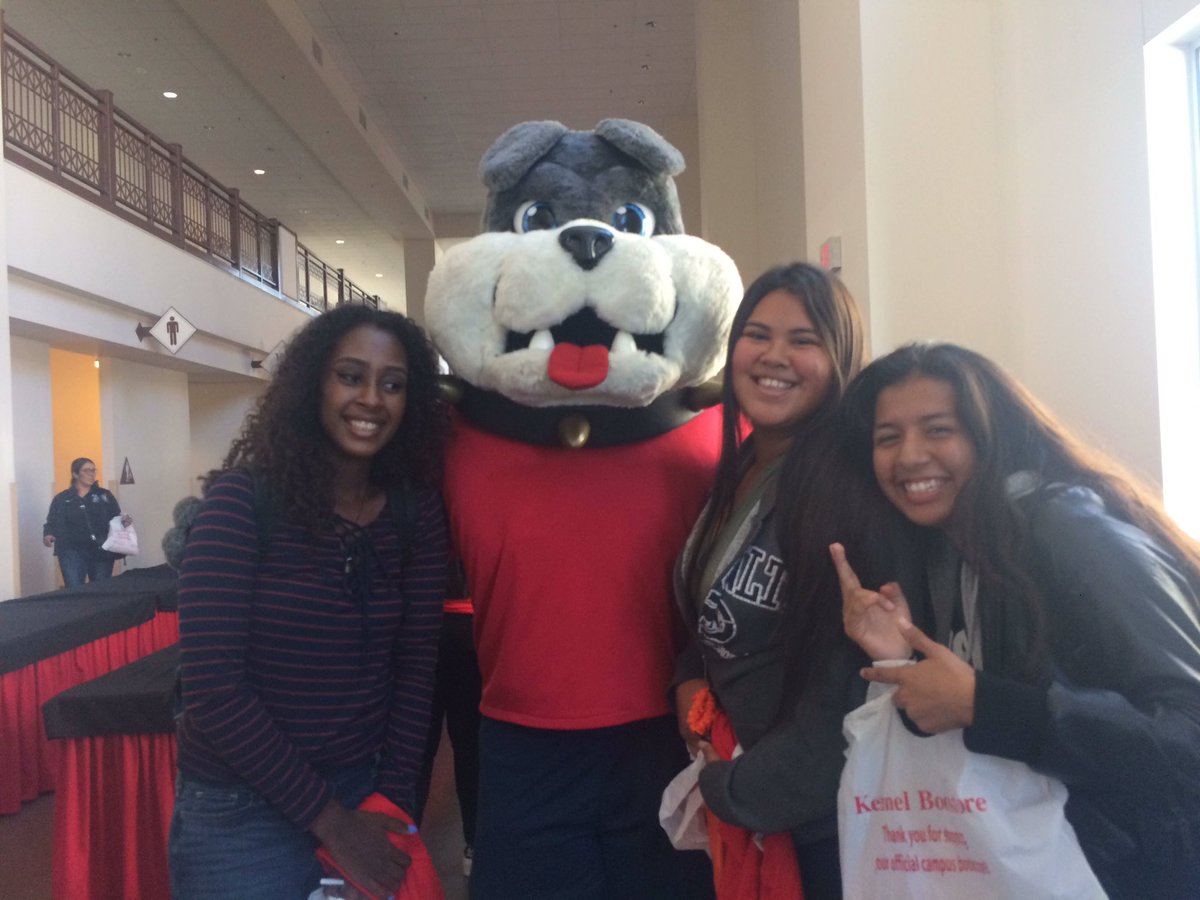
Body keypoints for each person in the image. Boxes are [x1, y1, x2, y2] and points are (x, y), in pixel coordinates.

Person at [833, 341, 1200, 899]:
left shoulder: (1070, 532)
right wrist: (901, 657)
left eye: (938, 430)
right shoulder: (950, 547)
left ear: (989, 436)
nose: (909, 456)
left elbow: (1187, 736)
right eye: (889, 438)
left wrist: (988, 704)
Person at [169, 304, 449, 900]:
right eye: (351, 376)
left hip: (363, 791)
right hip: (239, 814)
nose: (371, 399)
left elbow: (416, 664)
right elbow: (214, 688)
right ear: (313, 385)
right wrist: (332, 822)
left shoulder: (413, 512)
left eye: (392, 384)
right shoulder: (240, 505)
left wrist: (392, 801)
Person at [672, 262, 896, 899]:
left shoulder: (847, 490)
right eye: (758, 334)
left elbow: (848, 688)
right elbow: (709, 610)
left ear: (841, 356)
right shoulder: (741, 467)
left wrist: (731, 788)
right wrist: (687, 683)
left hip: (822, 822)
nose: (775, 356)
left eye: (804, 340)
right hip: (754, 792)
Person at [42, 457, 131, 586]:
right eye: (86, 470)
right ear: (75, 474)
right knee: (74, 589)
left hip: (101, 550)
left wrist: (124, 522)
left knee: (100, 589)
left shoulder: (104, 495)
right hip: (71, 551)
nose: (91, 473)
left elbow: (116, 518)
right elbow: (52, 521)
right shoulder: (62, 498)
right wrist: (48, 534)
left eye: (93, 470)